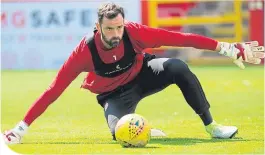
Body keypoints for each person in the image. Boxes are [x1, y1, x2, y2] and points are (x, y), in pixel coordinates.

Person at [3, 2, 264, 144]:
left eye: (119, 27)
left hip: (143, 75)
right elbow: (54, 90)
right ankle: (143, 128)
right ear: (98, 27)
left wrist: (228, 48)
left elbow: (182, 38)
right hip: (112, 94)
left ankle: (212, 126)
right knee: (121, 134)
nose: (116, 34)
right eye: (110, 29)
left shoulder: (134, 31)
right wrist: (21, 128)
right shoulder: (84, 51)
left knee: (177, 66)